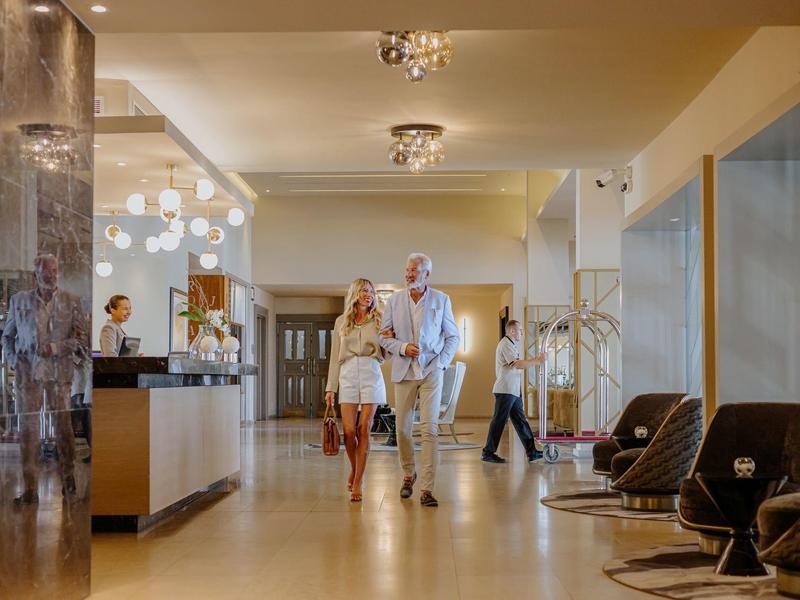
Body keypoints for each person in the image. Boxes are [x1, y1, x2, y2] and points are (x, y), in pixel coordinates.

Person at [2, 254, 86, 504]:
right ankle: (30, 490)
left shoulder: (71, 301)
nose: (51, 275)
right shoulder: (19, 301)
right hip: (28, 375)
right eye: (46, 271)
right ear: (35, 275)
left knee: (63, 428)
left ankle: (68, 482)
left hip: (58, 375)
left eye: (54, 270)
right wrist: (14, 360)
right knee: (28, 432)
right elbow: (7, 337)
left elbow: (81, 341)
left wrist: (57, 347)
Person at [379, 253, 459, 507]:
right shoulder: (393, 301)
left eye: (414, 270)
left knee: (429, 429)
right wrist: (402, 348)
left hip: (431, 371)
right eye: (407, 269)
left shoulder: (441, 300)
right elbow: (383, 337)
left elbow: (453, 337)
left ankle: (427, 488)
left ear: (426, 274)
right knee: (401, 429)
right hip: (404, 371)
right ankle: (408, 473)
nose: (408, 274)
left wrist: (441, 362)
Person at [325, 278, 387, 502]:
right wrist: (331, 387)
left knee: (364, 429)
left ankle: (358, 480)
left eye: (371, 291)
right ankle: (354, 467)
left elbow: (387, 351)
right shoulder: (341, 322)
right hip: (348, 373)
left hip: (371, 372)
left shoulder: (380, 320)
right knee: (349, 432)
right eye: (363, 291)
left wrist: (389, 343)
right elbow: (334, 357)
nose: (368, 294)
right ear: (355, 293)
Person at [481, 320, 545, 464]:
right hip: (505, 390)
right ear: (512, 331)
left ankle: (532, 452)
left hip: (512, 391)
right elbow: (518, 365)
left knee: (521, 421)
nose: (522, 333)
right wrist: (538, 360)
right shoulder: (505, 344)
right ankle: (488, 452)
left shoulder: (510, 344)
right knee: (499, 421)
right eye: (520, 330)